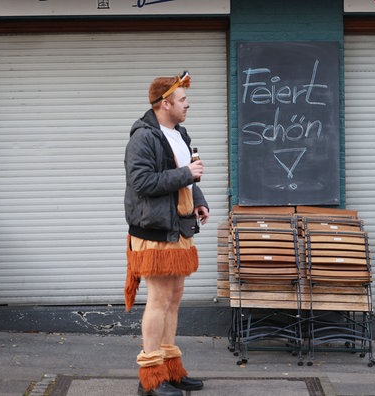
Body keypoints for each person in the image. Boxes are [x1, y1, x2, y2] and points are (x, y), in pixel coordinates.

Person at [123, 71, 209, 396]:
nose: (188, 105)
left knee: (173, 300)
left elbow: (188, 178)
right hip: (153, 231)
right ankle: (151, 375)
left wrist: (198, 201)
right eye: (183, 100)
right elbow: (142, 183)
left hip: (179, 228)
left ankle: (171, 368)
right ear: (165, 102)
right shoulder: (143, 137)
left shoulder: (180, 134)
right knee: (158, 301)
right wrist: (185, 173)